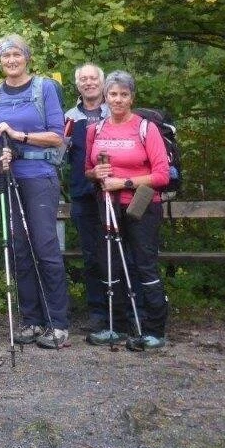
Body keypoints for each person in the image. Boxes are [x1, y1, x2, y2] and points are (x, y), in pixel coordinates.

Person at [0, 34, 71, 349]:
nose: (11, 60)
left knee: (45, 246)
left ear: (26, 57)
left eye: (16, 54)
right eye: (5, 56)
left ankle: (58, 323)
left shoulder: (44, 88)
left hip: (40, 175)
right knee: (19, 247)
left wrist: (18, 136)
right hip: (8, 176)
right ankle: (32, 320)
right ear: (0, 60)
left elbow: (56, 136)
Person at [85, 70, 171, 350]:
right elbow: (89, 170)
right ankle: (117, 326)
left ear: (132, 97)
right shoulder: (95, 129)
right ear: (105, 97)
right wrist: (95, 173)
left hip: (141, 205)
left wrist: (124, 182)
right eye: (113, 94)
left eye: (123, 94)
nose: (118, 99)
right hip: (107, 205)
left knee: (144, 264)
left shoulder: (147, 128)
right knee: (110, 264)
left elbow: (162, 175)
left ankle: (154, 329)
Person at [65, 63, 111, 334]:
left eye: (94, 78)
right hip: (83, 194)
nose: (89, 82)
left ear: (102, 83)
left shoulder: (115, 111)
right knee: (92, 255)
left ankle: (122, 309)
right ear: (78, 84)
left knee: (118, 252)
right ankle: (97, 311)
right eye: (84, 79)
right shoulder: (70, 118)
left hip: (115, 193)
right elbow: (61, 156)